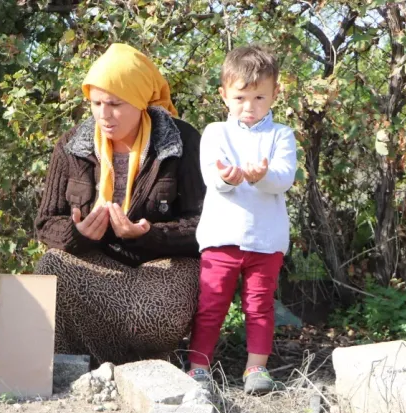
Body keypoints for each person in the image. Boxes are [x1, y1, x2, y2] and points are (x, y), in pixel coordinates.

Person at [34, 43, 205, 366]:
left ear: (140, 103)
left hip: (166, 267)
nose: (103, 114)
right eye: (96, 103)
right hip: (98, 262)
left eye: (114, 104)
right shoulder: (72, 145)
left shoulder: (182, 141)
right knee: (50, 268)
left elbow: (204, 223)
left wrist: (147, 233)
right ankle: (90, 363)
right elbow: (46, 222)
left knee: (151, 320)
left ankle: (118, 358)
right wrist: (79, 234)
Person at [186, 45, 297, 394]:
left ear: (276, 94)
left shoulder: (282, 135)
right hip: (222, 238)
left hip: (266, 240)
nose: (249, 107)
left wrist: (262, 175)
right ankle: (199, 366)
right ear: (224, 95)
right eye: (240, 98)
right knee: (211, 303)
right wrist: (230, 179)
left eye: (260, 97)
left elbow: (284, 178)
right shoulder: (216, 132)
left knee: (260, 305)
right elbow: (211, 177)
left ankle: (256, 368)